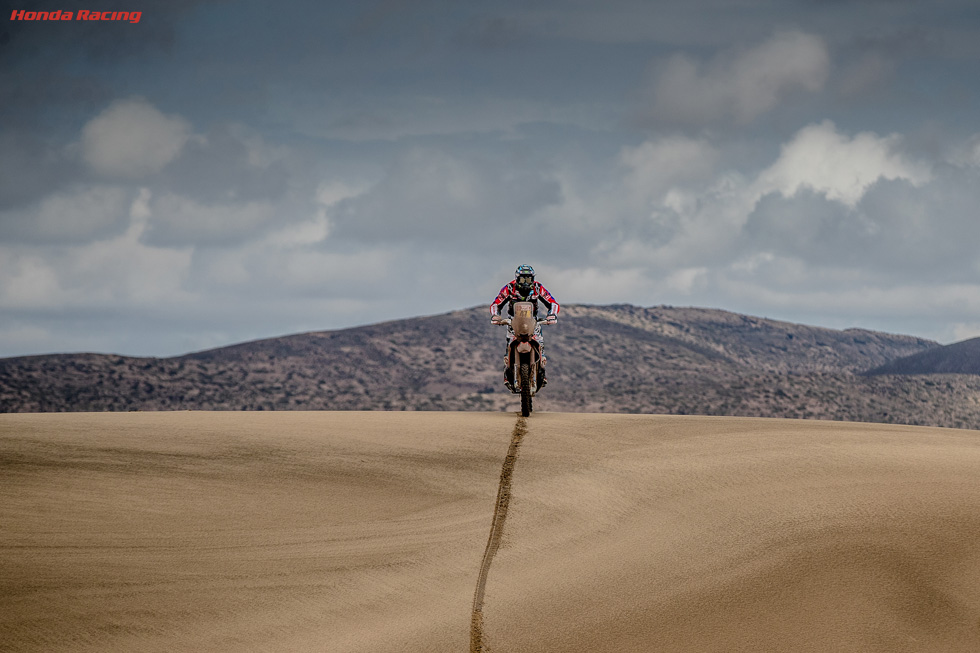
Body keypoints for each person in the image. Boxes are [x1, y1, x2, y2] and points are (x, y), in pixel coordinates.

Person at [490, 264, 559, 391]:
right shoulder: (509, 288)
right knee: (509, 343)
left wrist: (552, 315)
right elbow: (496, 304)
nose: (526, 283)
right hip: (513, 322)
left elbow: (552, 303)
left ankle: (542, 370)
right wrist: (496, 316)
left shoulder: (538, 288)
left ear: (533, 279)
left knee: (540, 343)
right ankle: (508, 371)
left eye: (529, 279)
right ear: (517, 279)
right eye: (523, 279)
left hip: (533, 322)